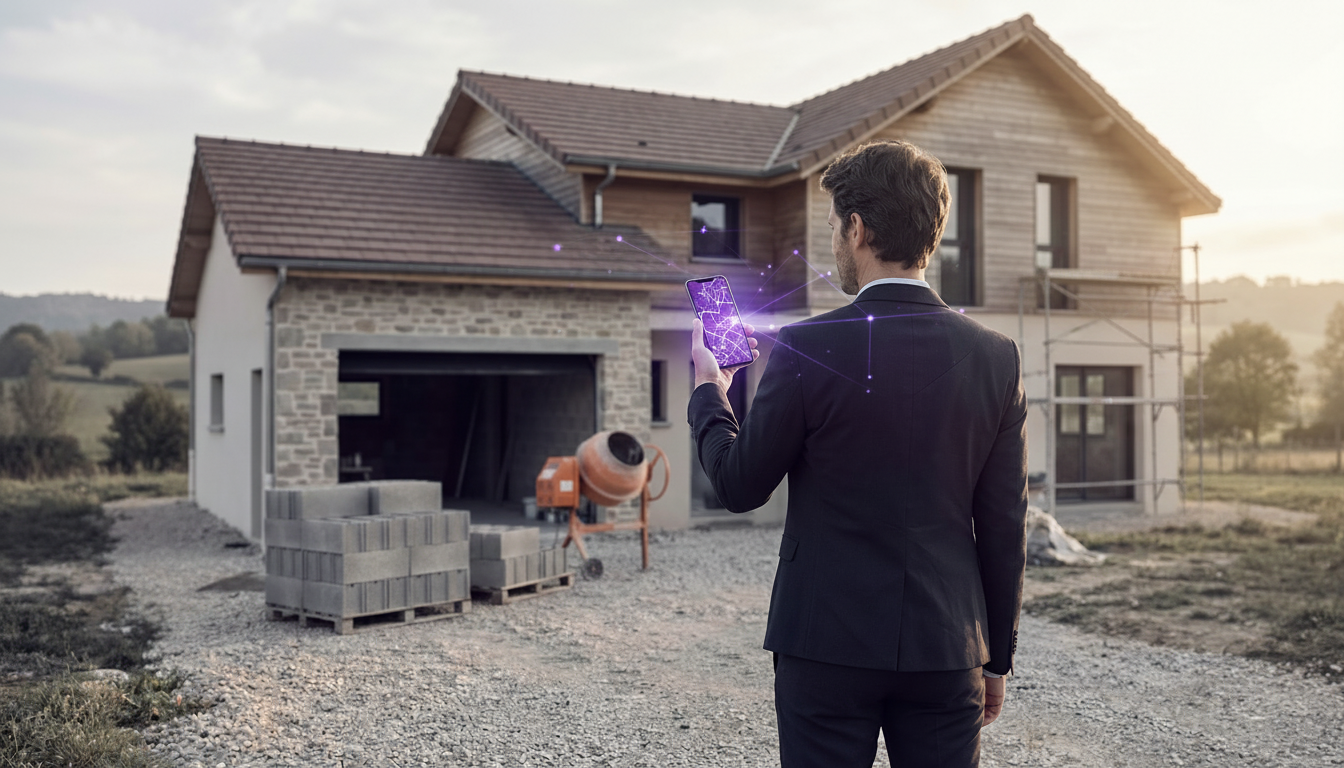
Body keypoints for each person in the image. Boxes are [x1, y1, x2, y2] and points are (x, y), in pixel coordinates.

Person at [688, 139, 1028, 767]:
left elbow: (738, 487)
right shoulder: (996, 356)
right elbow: (1005, 524)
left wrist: (712, 389)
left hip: (824, 644)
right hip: (947, 646)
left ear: (857, 227)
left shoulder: (805, 346)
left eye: (833, 228)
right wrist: (996, 657)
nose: (834, 245)